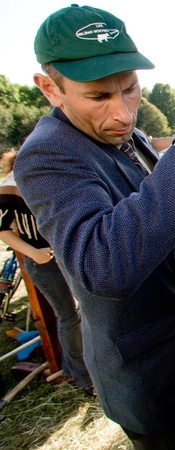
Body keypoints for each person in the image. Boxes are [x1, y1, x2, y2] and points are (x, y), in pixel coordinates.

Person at [14, 5, 175, 449]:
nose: (124, 114)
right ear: (51, 89)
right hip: (143, 372)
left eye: (130, 89)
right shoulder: (46, 156)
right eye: (99, 98)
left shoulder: (129, 136)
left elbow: (143, 213)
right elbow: (104, 264)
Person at [0, 150, 95, 397]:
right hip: (43, 260)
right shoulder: (11, 184)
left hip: (63, 253)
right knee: (68, 316)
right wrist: (33, 253)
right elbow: (2, 229)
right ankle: (82, 377)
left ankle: (85, 368)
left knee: (84, 311)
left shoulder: (43, 177)